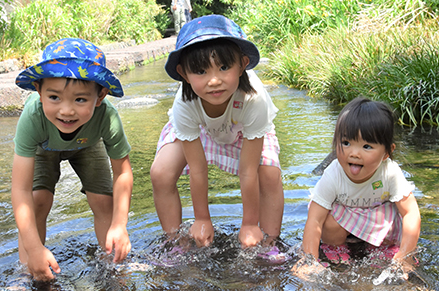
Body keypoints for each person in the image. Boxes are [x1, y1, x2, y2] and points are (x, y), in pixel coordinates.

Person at [150, 14, 284, 249]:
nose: (214, 81)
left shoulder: (254, 98)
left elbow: (248, 170)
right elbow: (198, 168)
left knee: (270, 175)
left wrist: (250, 223)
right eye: (201, 71)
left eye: (224, 67)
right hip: (200, 130)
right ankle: (175, 244)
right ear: (183, 74)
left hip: (244, 131)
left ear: (242, 64)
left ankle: (269, 243)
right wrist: (202, 219)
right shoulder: (184, 102)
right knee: (161, 172)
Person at [12, 38, 133, 281]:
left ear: (100, 97)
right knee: (38, 201)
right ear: (39, 90)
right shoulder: (33, 116)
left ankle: (113, 264)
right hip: (44, 146)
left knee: (103, 202)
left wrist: (120, 225)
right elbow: (20, 189)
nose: (66, 111)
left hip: (88, 144)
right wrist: (35, 249)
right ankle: (27, 271)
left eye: (80, 99)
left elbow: (123, 172)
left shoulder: (106, 117)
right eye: (54, 97)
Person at [298, 97, 421, 276]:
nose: (354, 153)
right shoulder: (334, 173)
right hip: (343, 222)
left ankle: (379, 249)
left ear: (387, 152)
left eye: (366, 146)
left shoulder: (390, 173)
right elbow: (315, 219)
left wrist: (406, 254)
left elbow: (411, 213)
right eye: (346, 143)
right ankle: (336, 249)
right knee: (328, 220)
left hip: (375, 220)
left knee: (394, 218)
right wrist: (308, 260)